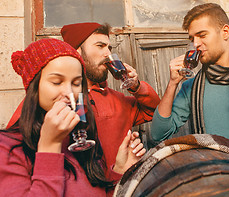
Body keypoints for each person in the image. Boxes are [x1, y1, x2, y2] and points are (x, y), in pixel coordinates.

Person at [0, 38, 145, 197]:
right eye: (56, 81)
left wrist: (119, 171)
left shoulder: (82, 138)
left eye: (77, 83)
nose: (69, 93)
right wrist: (49, 147)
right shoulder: (8, 147)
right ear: (34, 85)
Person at [7, 22, 160, 171]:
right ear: (77, 51)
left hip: (121, 189)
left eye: (109, 47)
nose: (108, 53)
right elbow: (14, 153)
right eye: (100, 46)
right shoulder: (49, 101)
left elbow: (154, 111)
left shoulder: (117, 99)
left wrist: (136, 86)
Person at [150, 3, 229, 142]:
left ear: (225, 32)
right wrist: (172, 84)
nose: (195, 44)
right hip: (209, 162)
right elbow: (158, 135)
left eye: (202, 35)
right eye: (192, 39)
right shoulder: (191, 87)